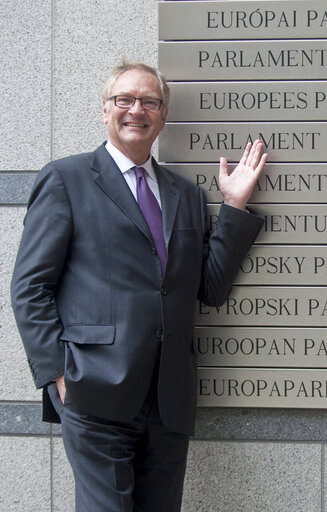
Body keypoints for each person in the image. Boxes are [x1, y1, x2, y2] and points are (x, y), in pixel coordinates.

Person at [10, 58, 268, 511]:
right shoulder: (66, 179)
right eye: (124, 100)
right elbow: (30, 286)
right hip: (95, 392)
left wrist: (233, 207)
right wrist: (57, 373)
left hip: (168, 399)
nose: (136, 110)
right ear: (104, 109)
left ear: (163, 115)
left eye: (149, 101)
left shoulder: (185, 194)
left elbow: (207, 287)